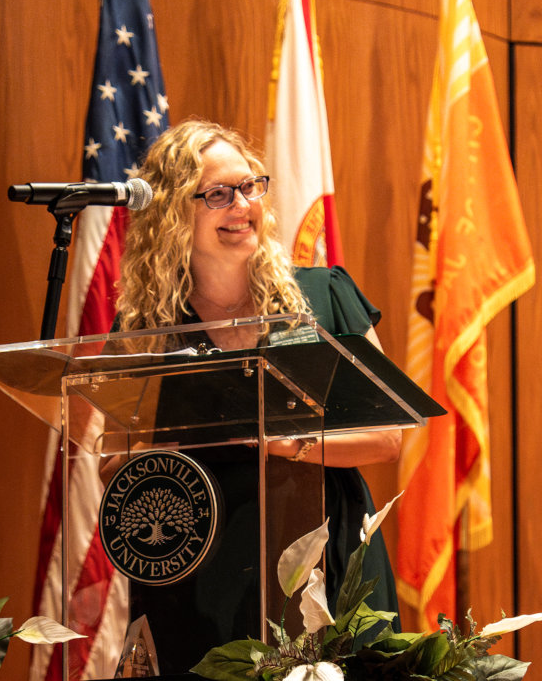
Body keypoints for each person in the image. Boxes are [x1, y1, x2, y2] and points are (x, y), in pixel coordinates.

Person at [101, 118, 402, 672]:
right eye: (218, 193)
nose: (242, 205)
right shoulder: (147, 329)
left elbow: (387, 437)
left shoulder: (323, 298)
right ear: (171, 214)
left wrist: (281, 443)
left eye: (250, 186)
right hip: (198, 567)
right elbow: (109, 460)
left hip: (323, 553)